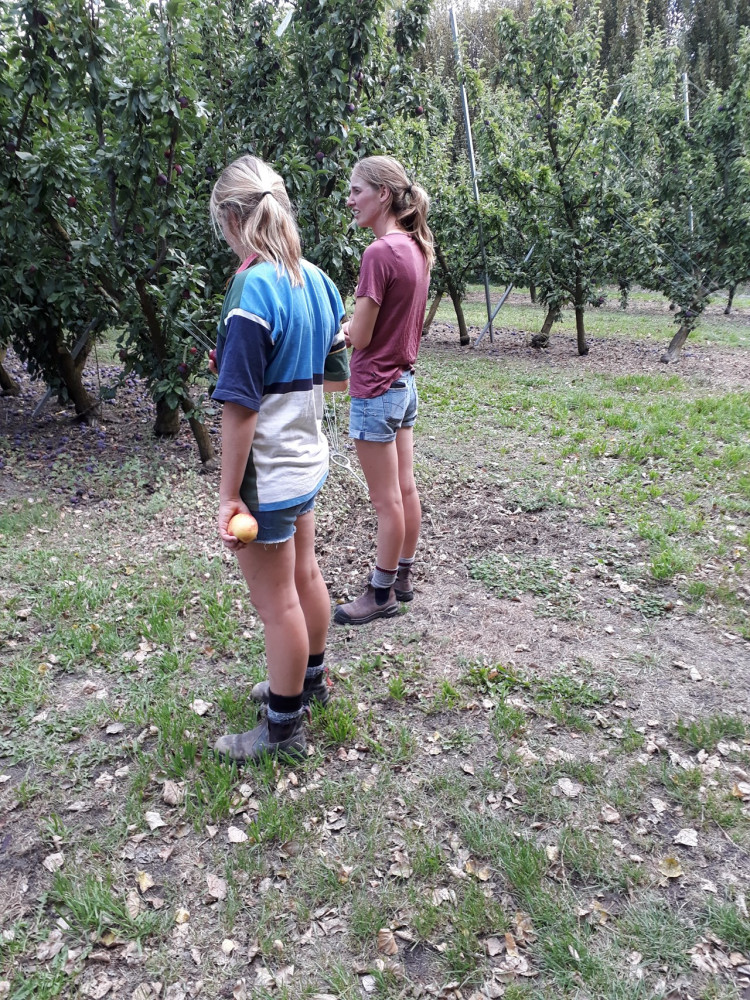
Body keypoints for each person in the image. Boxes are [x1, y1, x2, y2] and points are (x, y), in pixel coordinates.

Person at [208, 155, 349, 763]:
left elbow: (238, 406)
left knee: (277, 604)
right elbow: (338, 376)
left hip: (269, 474)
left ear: (233, 217)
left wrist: (229, 494)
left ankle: (283, 726)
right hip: (309, 460)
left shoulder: (252, 287)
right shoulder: (316, 279)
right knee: (305, 576)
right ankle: (307, 682)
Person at [333, 155, 433, 626]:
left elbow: (366, 335)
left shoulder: (378, 253)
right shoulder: (417, 247)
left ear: (383, 195)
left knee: (385, 500)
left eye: (357, 191)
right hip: (404, 385)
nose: (350, 200)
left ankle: (381, 593)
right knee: (405, 489)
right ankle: (403, 577)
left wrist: (343, 329)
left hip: (375, 389)